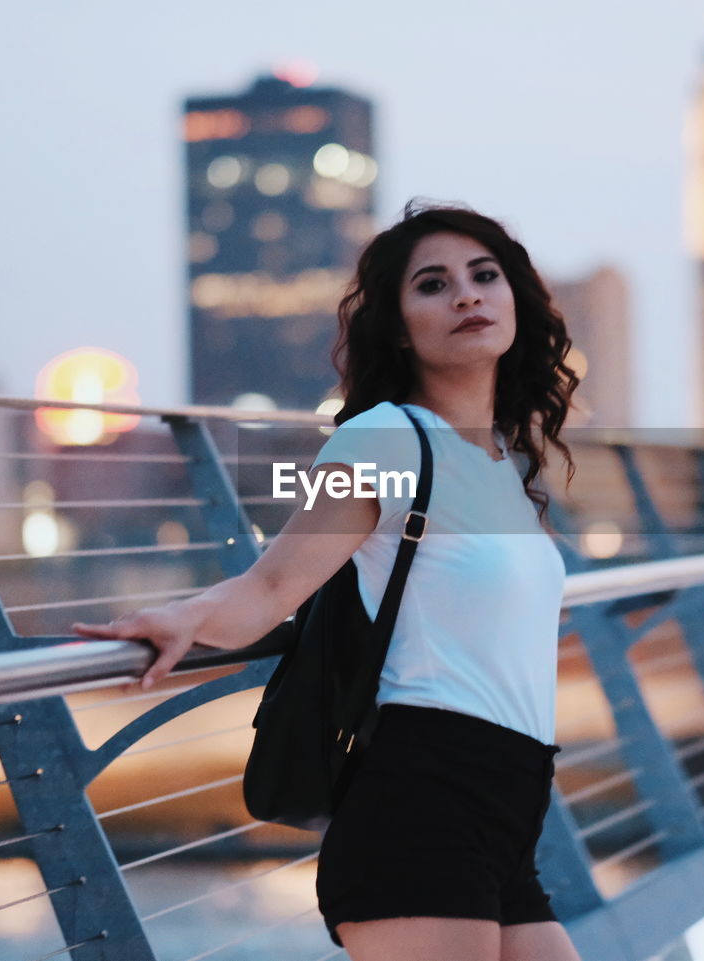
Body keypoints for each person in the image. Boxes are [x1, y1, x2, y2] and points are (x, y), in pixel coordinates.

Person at [75, 202, 583, 961]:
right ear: (399, 324)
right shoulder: (385, 438)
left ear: (516, 296)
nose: (468, 296)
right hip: (424, 807)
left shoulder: (500, 461)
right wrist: (184, 615)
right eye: (434, 285)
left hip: (508, 814)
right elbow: (274, 584)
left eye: (485, 276)